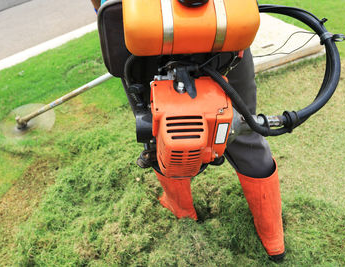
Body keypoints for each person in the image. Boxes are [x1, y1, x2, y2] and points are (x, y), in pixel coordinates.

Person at [91, 0, 285, 261]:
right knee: (246, 131)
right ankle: (273, 238)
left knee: (160, 132)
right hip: (222, 26)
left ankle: (182, 210)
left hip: (143, 33)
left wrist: (105, 14)